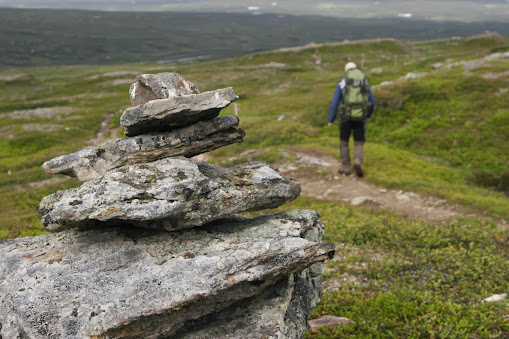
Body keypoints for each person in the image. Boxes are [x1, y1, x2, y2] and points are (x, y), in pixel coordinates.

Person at [328, 62, 375, 177]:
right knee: (358, 141)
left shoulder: (343, 82)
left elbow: (335, 102)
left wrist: (331, 119)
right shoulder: (363, 81)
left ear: (346, 70)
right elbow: (371, 100)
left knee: (344, 142)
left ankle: (346, 166)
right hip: (360, 117)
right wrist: (368, 114)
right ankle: (357, 161)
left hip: (345, 117)